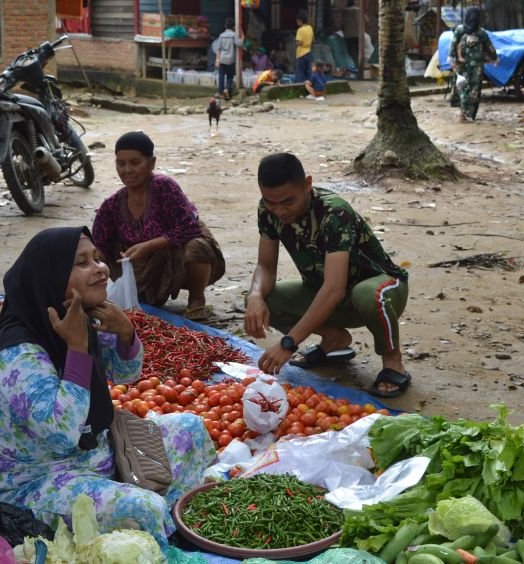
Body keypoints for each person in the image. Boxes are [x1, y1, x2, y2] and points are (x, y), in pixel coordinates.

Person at [0, 226, 216, 548]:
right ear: (53, 276)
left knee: (190, 428)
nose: (101, 269)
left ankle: (156, 522)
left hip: (92, 457)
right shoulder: (16, 354)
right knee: (144, 508)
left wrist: (125, 332)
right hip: (31, 484)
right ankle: (150, 525)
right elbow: (61, 432)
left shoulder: (76, 315)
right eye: (83, 263)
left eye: (97, 259)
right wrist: (76, 349)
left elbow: (126, 373)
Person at [244, 153, 411, 398]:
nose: (279, 210)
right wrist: (255, 295)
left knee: (367, 294)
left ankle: (393, 361)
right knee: (263, 300)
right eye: (270, 202)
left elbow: (334, 288)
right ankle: (334, 339)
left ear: (307, 184)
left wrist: (288, 343)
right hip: (326, 293)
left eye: (287, 201)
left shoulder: (334, 213)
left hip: (380, 291)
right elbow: (266, 267)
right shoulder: (267, 210)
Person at [92, 131, 225, 320]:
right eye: (121, 164)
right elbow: (99, 245)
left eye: (135, 162)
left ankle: (197, 300)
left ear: (151, 163)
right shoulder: (111, 205)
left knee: (196, 246)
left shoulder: (165, 188)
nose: (127, 170)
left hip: (174, 258)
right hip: (142, 269)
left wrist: (148, 246)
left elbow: (189, 228)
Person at [448, 7, 498, 123]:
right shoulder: (481, 33)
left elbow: (453, 44)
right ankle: (463, 115)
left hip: (461, 66)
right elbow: (489, 48)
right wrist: (495, 58)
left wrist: (451, 59)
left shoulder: (460, 30)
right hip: (477, 68)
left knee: (462, 88)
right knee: (473, 90)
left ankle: (462, 114)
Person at [216, 17, 244, 100]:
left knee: (221, 76)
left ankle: (219, 92)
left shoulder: (221, 35)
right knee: (230, 76)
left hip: (222, 58)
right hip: (230, 59)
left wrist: (217, 59)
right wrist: (242, 36)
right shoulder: (233, 35)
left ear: (225, 26)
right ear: (233, 27)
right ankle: (227, 89)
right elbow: (239, 44)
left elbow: (218, 48)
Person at [295, 10, 314, 84]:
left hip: (301, 53)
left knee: (300, 72)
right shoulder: (310, 28)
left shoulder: (300, 30)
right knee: (309, 71)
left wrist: (296, 42)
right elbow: (313, 40)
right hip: (309, 52)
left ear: (300, 21)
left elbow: (299, 42)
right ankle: (309, 85)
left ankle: (299, 87)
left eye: (297, 21)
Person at [342, 0, 361, 66]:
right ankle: (359, 66)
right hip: (359, 34)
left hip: (348, 35)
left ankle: (356, 66)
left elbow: (342, 24)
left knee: (352, 52)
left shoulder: (345, 11)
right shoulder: (359, 10)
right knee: (358, 51)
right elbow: (367, 21)